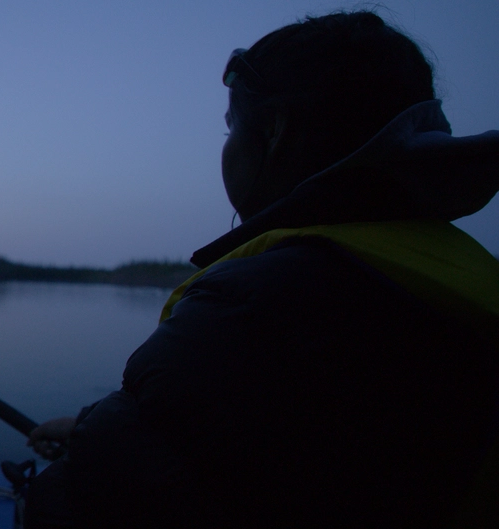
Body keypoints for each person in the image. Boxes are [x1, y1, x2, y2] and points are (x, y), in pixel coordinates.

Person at [24, 11, 499, 528]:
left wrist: (93, 444)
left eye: (232, 129)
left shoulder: (258, 307)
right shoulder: (457, 279)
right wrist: (93, 427)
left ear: (273, 132)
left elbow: (99, 493)